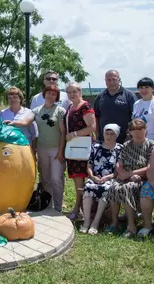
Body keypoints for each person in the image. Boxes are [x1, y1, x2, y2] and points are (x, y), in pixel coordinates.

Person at [8, 85, 66, 212]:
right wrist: (14, 123)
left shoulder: (60, 111)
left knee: (56, 178)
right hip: (42, 149)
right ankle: (48, 206)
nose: (51, 96)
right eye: (49, 93)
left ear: (57, 97)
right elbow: (26, 121)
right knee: (45, 179)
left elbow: (63, 133)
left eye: (54, 94)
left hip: (56, 149)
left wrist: (61, 151)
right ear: (44, 94)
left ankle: (58, 208)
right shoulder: (36, 110)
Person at [108, 119, 154, 237]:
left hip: (142, 178)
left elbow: (150, 167)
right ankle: (114, 222)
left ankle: (131, 226)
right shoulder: (126, 145)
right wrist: (122, 173)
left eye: (140, 129)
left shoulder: (151, 145)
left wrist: (132, 174)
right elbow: (119, 163)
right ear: (130, 132)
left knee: (128, 188)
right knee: (113, 187)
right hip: (125, 175)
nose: (138, 132)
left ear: (145, 129)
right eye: (134, 130)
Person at [80, 124, 122, 235]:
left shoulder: (119, 149)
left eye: (112, 134)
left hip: (110, 178)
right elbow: (89, 165)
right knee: (88, 187)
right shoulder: (96, 146)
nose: (109, 136)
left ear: (116, 135)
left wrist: (108, 177)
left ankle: (95, 222)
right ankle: (86, 221)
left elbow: (119, 170)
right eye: (107, 133)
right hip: (94, 177)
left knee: (106, 188)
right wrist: (92, 176)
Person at [65, 82, 97, 220]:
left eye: (74, 92)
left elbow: (92, 127)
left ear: (80, 92)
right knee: (77, 182)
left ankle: (79, 209)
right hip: (74, 149)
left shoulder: (85, 107)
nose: (72, 94)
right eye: (69, 92)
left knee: (82, 182)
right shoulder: (71, 106)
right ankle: (82, 208)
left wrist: (74, 134)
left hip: (82, 148)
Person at [93, 70, 137, 143]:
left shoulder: (129, 95)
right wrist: (97, 135)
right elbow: (96, 117)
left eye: (114, 79)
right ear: (105, 81)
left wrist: (130, 134)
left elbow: (136, 117)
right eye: (109, 80)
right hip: (105, 140)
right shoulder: (100, 97)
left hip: (125, 140)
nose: (111, 82)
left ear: (119, 80)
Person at [0, 87, 38, 151]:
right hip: (7, 149)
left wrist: (33, 151)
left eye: (15, 97)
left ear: (20, 98)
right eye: (9, 98)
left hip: (25, 147)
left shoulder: (29, 113)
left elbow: (34, 135)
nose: (12, 100)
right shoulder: (3, 113)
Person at [132, 77, 154, 141]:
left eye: (146, 87)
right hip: (138, 140)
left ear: (152, 89)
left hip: (153, 140)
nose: (143, 90)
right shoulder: (136, 104)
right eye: (141, 88)